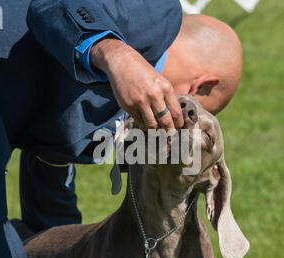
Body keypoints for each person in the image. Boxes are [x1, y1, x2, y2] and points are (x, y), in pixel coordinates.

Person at [18, 14, 243, 236]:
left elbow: (50, 158)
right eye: (197, 114)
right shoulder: (112, 86)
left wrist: (56, 242)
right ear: (198, 88)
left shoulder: (135, 15)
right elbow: (53, 154)